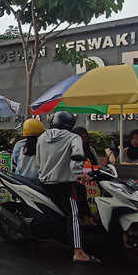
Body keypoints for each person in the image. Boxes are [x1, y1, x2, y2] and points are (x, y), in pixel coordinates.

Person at [37, 111, 92, 263]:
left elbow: (38, 161)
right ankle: (78, 251)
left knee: (78, 196)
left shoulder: (42, 137)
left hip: (44, 182)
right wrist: (77, 172)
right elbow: (77, 157)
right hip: (64, 184)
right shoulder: (73, 137)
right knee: (73, 214)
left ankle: (84, 222)